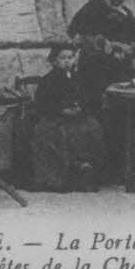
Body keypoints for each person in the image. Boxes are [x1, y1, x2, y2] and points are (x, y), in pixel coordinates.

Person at [68, 0, 135, 113]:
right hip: (95, 73)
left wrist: (128, 50)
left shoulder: (126, 14)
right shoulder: (91, 10)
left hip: (122, 73)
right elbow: (77, 36)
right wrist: (106, 45)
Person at [32, 43, 104, 192]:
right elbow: (42, 103)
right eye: (62, 58)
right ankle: (60, 178)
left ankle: (86, 171)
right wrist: (61, 110)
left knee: (93, 126)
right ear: (54, 61)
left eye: (70, 57)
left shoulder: (79, 78)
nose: (67, 61)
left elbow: (88, 98)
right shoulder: (48, 80)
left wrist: (81, 108)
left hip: (77, 116)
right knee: (58, 132)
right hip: (55, 117)